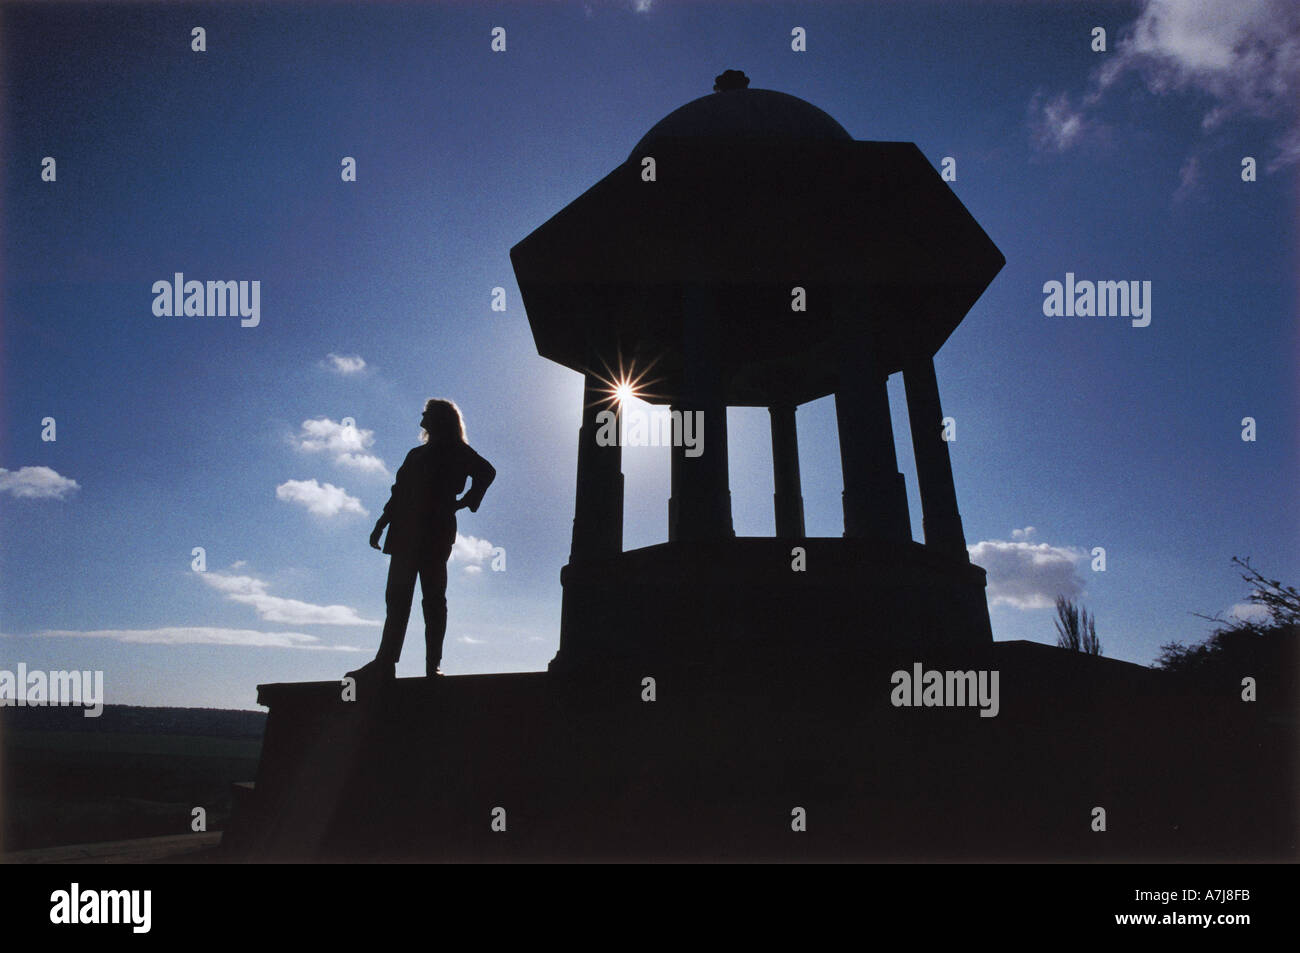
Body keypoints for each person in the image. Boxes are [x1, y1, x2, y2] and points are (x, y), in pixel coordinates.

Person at [347, 399, 495, 682]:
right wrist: (381, 524)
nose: (421, 419)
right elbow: (398, 492)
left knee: (434, 600)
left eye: (426, 414)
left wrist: (465, 502)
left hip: (435, 534)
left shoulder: (457, 451)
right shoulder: (414, 455)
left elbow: (487, 472)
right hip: (404, 533)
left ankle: (432, 666)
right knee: (397, 600)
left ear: (440, 419)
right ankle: (385, 663)